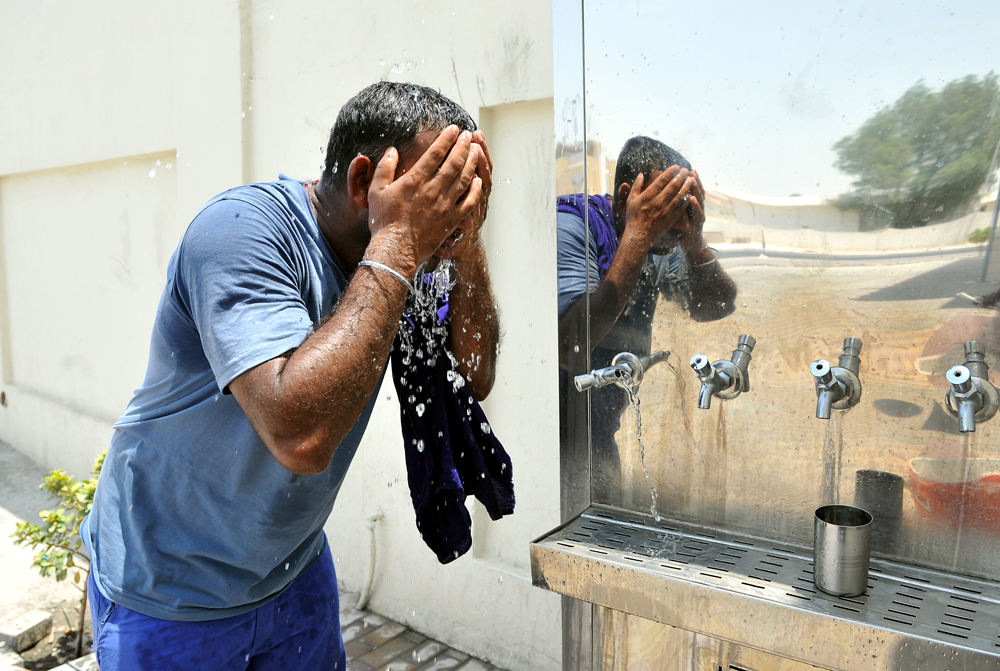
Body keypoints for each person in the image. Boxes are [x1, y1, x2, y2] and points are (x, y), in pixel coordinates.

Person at [81, 82, 500, 670]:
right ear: (363, 183)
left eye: (454, 194)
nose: (440, 214)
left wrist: (465, 241)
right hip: (167, 592)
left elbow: (472, 376)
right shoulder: (240, 233)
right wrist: (403, 239)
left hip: (292, 573)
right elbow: (298, 437)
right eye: (433, 190)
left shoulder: (409, 256)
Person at [557, 136, 737, 496]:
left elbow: (715, 306)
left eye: (684, 211)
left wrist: (695, 241)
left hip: (598, 431)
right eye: (667, 211)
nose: (679, 228)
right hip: (554, 437)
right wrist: (639, 233)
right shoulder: (574, 226)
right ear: (628, 199)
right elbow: (571, 343)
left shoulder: (661, 243)